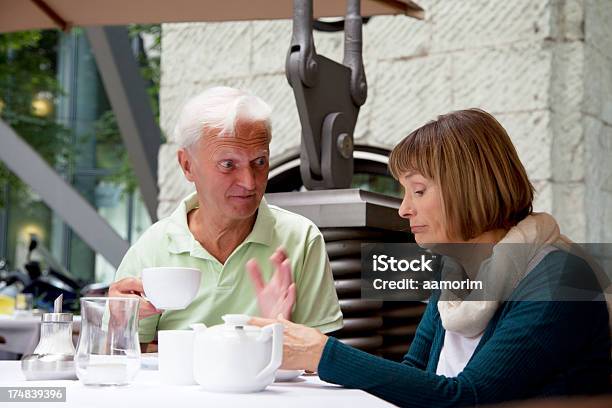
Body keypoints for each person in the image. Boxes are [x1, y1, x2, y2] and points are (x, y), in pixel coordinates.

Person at [251, 109, 611, 406]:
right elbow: (415, 377)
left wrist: (323, 354)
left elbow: (469, 398)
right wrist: (302, 355)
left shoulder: (560, 279)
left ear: (469, 188)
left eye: (419, 191)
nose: (405, 209)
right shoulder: (456, 272)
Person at [110, 87, 342, 348]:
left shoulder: (301, 238)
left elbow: (321, 364)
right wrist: (118, 323)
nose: (249, 182)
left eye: (260, 161)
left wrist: (282, 335)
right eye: (228, 164)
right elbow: (126, 356)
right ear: (187, 165)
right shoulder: (153, 246)